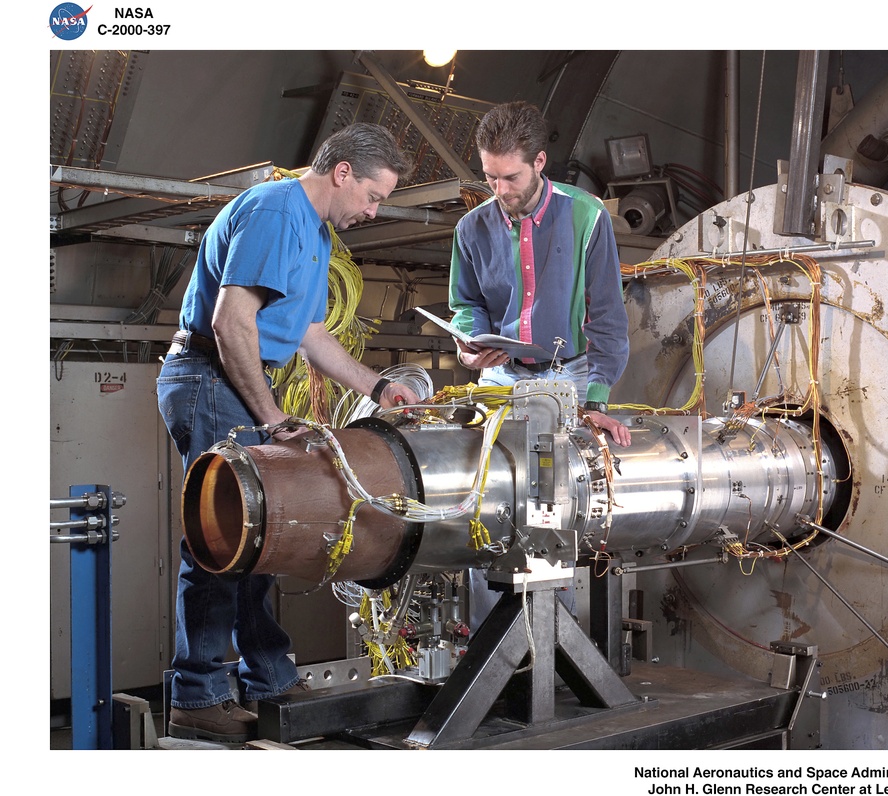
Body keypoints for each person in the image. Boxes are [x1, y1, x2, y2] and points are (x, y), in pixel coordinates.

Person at [156, 122, 418, 743]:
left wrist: (376, 387)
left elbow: (307, 333)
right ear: (343, 172)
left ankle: (268, 676)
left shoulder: (318, 234)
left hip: (235, 379)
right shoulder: (277, 210)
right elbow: (230, 322)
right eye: (373, 197)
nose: (373, 211)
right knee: (222, 542)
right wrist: (272, 418)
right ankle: (197, 695)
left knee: (262, 536)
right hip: (209, 378)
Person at [448, 100, 632, 629]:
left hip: (566, 375)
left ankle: (553, 646)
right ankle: (490, 645)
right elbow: (466, 305)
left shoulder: (586, 216)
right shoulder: (471, 229)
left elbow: (608, 320)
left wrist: (595, 401)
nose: (499, 190)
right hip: (501, 375)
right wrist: (467, 347)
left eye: (510, 177)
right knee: (485, 502)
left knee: (556, 508)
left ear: (540, 162)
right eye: (489, 177)